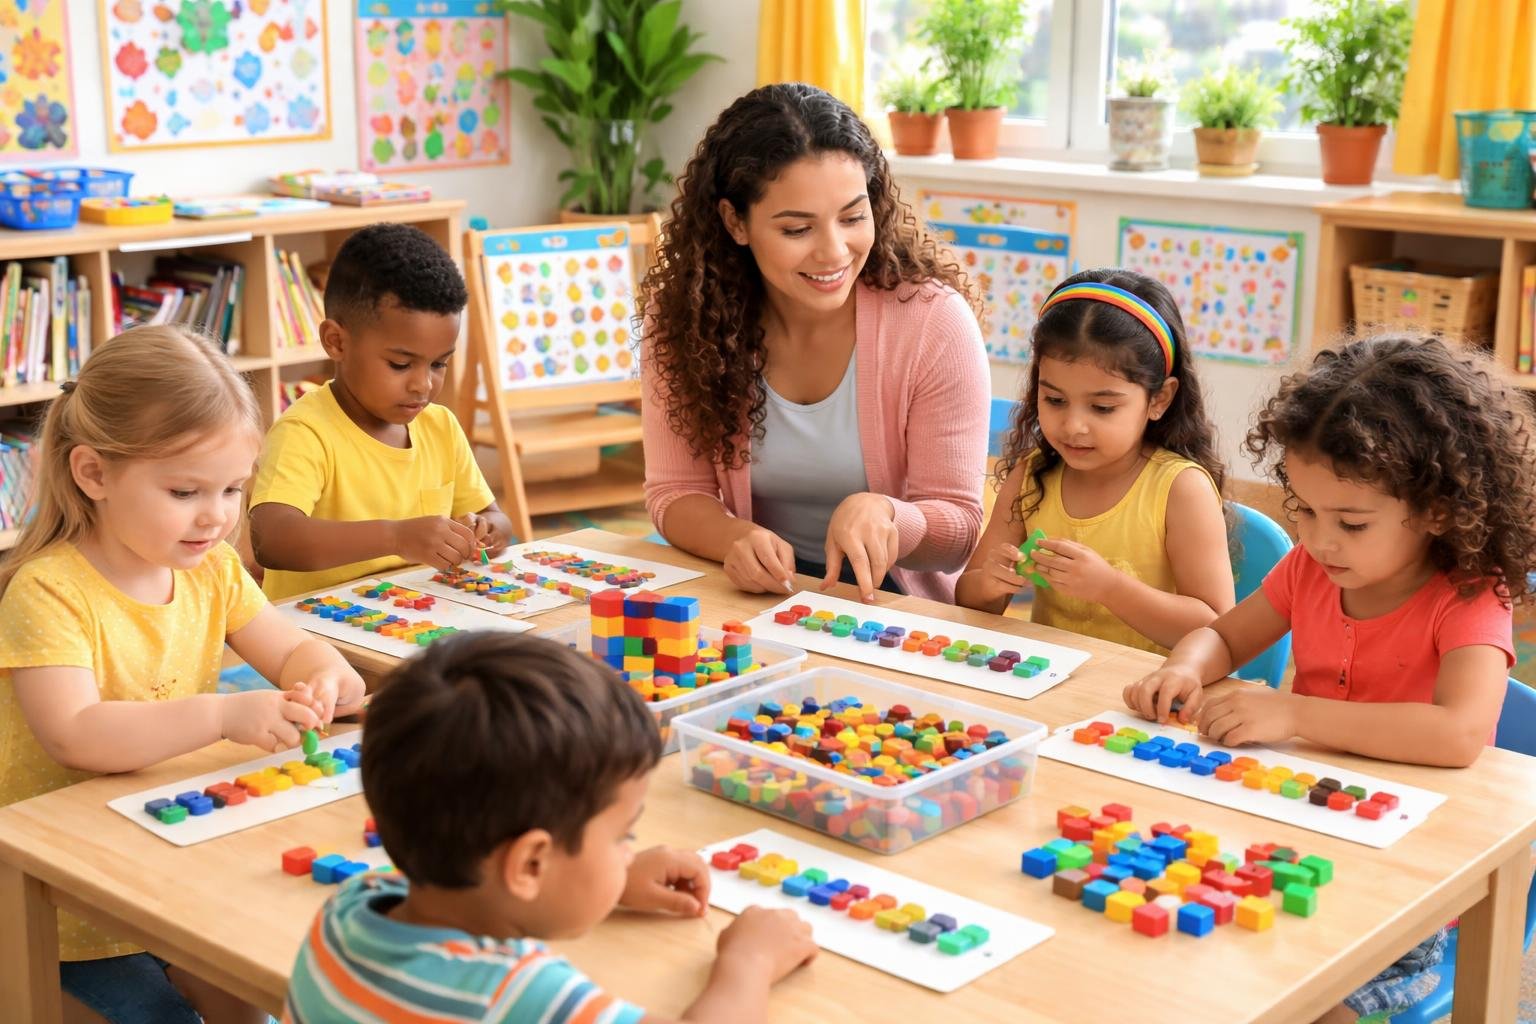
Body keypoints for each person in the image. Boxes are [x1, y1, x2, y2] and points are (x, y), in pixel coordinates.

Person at [1125, 334, 1536, 1022]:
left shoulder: (1469, 597)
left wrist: (1294, 715)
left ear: (1436, 509)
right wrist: (1185, 667)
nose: (1320, 541)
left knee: (1314, 1009)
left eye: (1350, 521)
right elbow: (1225, 635)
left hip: (1415, 877)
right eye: (1305, 511)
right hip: (1304, 828)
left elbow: (1459, 734)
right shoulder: (1311, 569)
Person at [0, 325, 366, 1024]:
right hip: (62, 902)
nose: (217, 515)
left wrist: (327, 678)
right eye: (186, 490)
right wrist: (224, 715)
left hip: (168, 859)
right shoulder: (48, 591)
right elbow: (77, 735)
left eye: (232, 488)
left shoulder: (213, 570)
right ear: (94, 473)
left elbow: (295, 651)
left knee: (264, 993)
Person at [284, 632, 815, 1024]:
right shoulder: (518, 998)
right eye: (622, 837)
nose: (628, 851)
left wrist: (609, 880)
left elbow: (483, 891)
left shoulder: (350, 909)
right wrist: (748, 961)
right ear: (532, 864)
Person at [640, 82, 990, 604]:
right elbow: (675, 492)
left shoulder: (933, 324)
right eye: (797, 229)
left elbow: (959, 532)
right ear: (736, 222)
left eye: (852, 218)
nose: (833, 252)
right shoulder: (685, 324)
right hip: (757, 592)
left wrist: (890, 515)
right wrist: (734, 536)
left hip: (891, 603)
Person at [955, 269, 1234, 654]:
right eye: (1054, 400)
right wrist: (989, 583)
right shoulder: (1034, 474)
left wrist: (1110, 588)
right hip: (1048, 683)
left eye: (1102, 407)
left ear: (1159, 399)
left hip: (1150, 696)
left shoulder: (1181, 489)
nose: (1073, 426)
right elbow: (969, 598)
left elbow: (1215, 629)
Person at [249, 223, 514, 601]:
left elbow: (496, 515)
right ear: (336, 341)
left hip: (420, 618)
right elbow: (272, 539)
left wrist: (487, 529)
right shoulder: (305, 432)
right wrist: (396, 537)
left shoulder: (440, 427)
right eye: (400, 365)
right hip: (321, 637)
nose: (423, 385)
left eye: (439, 364)